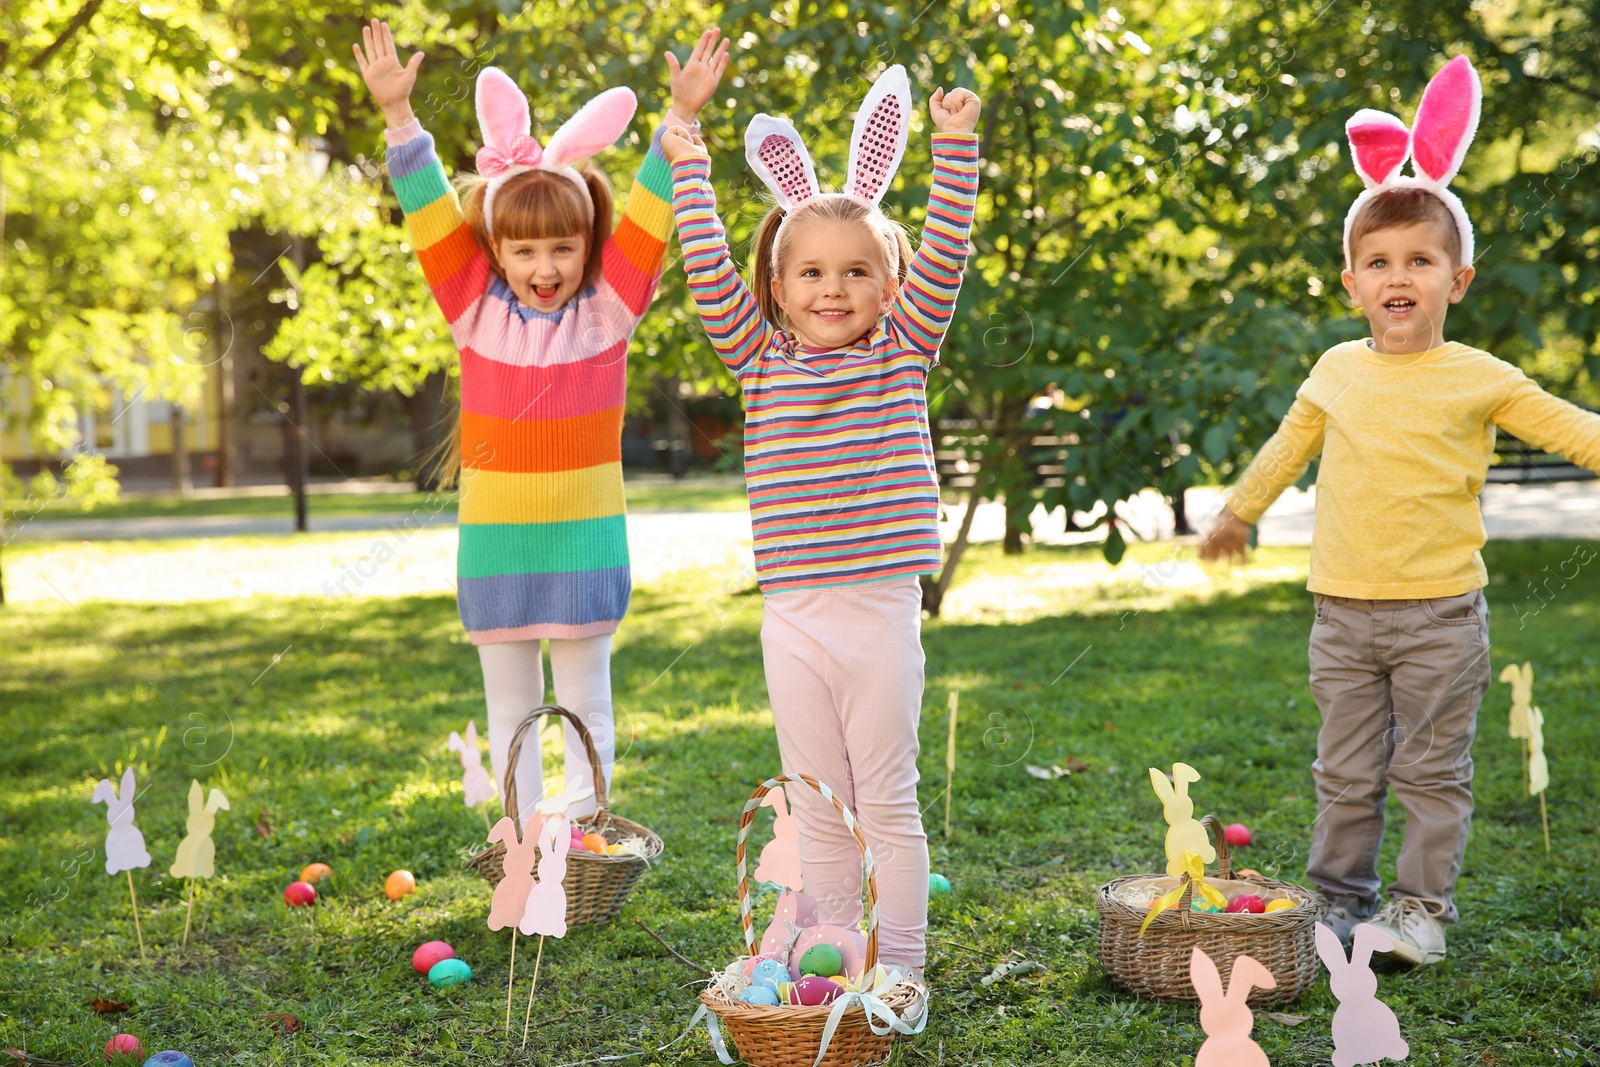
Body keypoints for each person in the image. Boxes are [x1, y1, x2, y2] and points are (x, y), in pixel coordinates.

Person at [1201, 55, 1600, 964]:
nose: (1399, 276)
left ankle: (1421, 911)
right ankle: (1341, 904)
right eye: (1379, 261)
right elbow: (1286, 446)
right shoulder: (1337, 370)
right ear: (1351, 283)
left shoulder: (1481, 375)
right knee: (1343, 774)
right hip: (1341, 613)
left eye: (1421, 260)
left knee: (1430, 772)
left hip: (1440, 618)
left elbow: (1573, 430)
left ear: (1456, 280)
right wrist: (1236, 513)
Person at [353, 18, 728, 819]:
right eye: (524, 252)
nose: (545, 267)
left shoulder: (609, 314)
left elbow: (651, 211)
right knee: (512, 711)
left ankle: (583, 832)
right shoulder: (472, 312)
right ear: (496, 252)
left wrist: (683, 118)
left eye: (562, 248)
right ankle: (524, 841)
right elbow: (427, 216)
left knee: (588, 702)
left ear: (586, 245)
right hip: (498, 546)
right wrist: (398, 118)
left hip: (586, 539)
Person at [662, 64, 981, 986]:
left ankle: (905, 970)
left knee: (885, 799)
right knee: (815, 801)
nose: (831, 289)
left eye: (855, 272)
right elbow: (707, 272)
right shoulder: (758, 360)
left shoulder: (904, 348)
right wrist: (689, 171)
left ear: (890, 284)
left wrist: (953, 153)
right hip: (793, 613)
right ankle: (835, 951)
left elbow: (948, 256)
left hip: (877, 609)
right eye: (810, 272)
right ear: (778, 280)